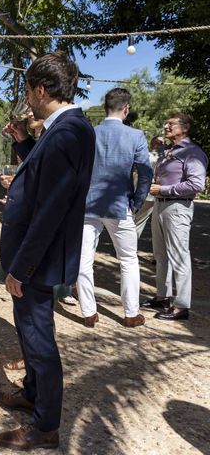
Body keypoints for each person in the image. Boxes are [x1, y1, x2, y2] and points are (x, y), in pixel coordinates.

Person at [0, 51, 95, 451]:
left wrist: (21, 268)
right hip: (38, 258)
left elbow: (51, 210)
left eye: (28, 92)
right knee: (29, 331)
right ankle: (32, 393)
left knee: (40, 341)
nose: (27, 102)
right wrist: (24, 143)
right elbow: (42, 175)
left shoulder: (68, 132)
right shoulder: (63, 130)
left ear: (41, 90)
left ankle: (45, 426)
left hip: (40, 260)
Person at [75, 88, 152, 328]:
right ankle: (131, 313)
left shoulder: (90, 134)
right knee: (128, 259)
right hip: (120, 205)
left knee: (83, 259)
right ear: (126, 109)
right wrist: (138, 202)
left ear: (106, 106)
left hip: (88, 204)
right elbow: (145, 173)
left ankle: (89, 312)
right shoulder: (136, 135)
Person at [142, 113, 208, 321]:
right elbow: (156, 146)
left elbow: (197, 184)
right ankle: (162, 296)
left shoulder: (193, 152)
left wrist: (164, 188)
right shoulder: (168, 151)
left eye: (171, 124)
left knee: (179, 256)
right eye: (166, 123)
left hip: (177, 207)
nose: (166, 126)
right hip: (160, 205)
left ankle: (181, 306)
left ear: (185, 127)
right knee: (160, 255)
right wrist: (157, 145)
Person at [134, 136, 166, 239]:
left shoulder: (146, 156)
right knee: (140, 221)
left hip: (146, 193)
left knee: (136, 221)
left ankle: (129, 246)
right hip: (154, 194)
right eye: (160, 142)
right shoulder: (164, 158)